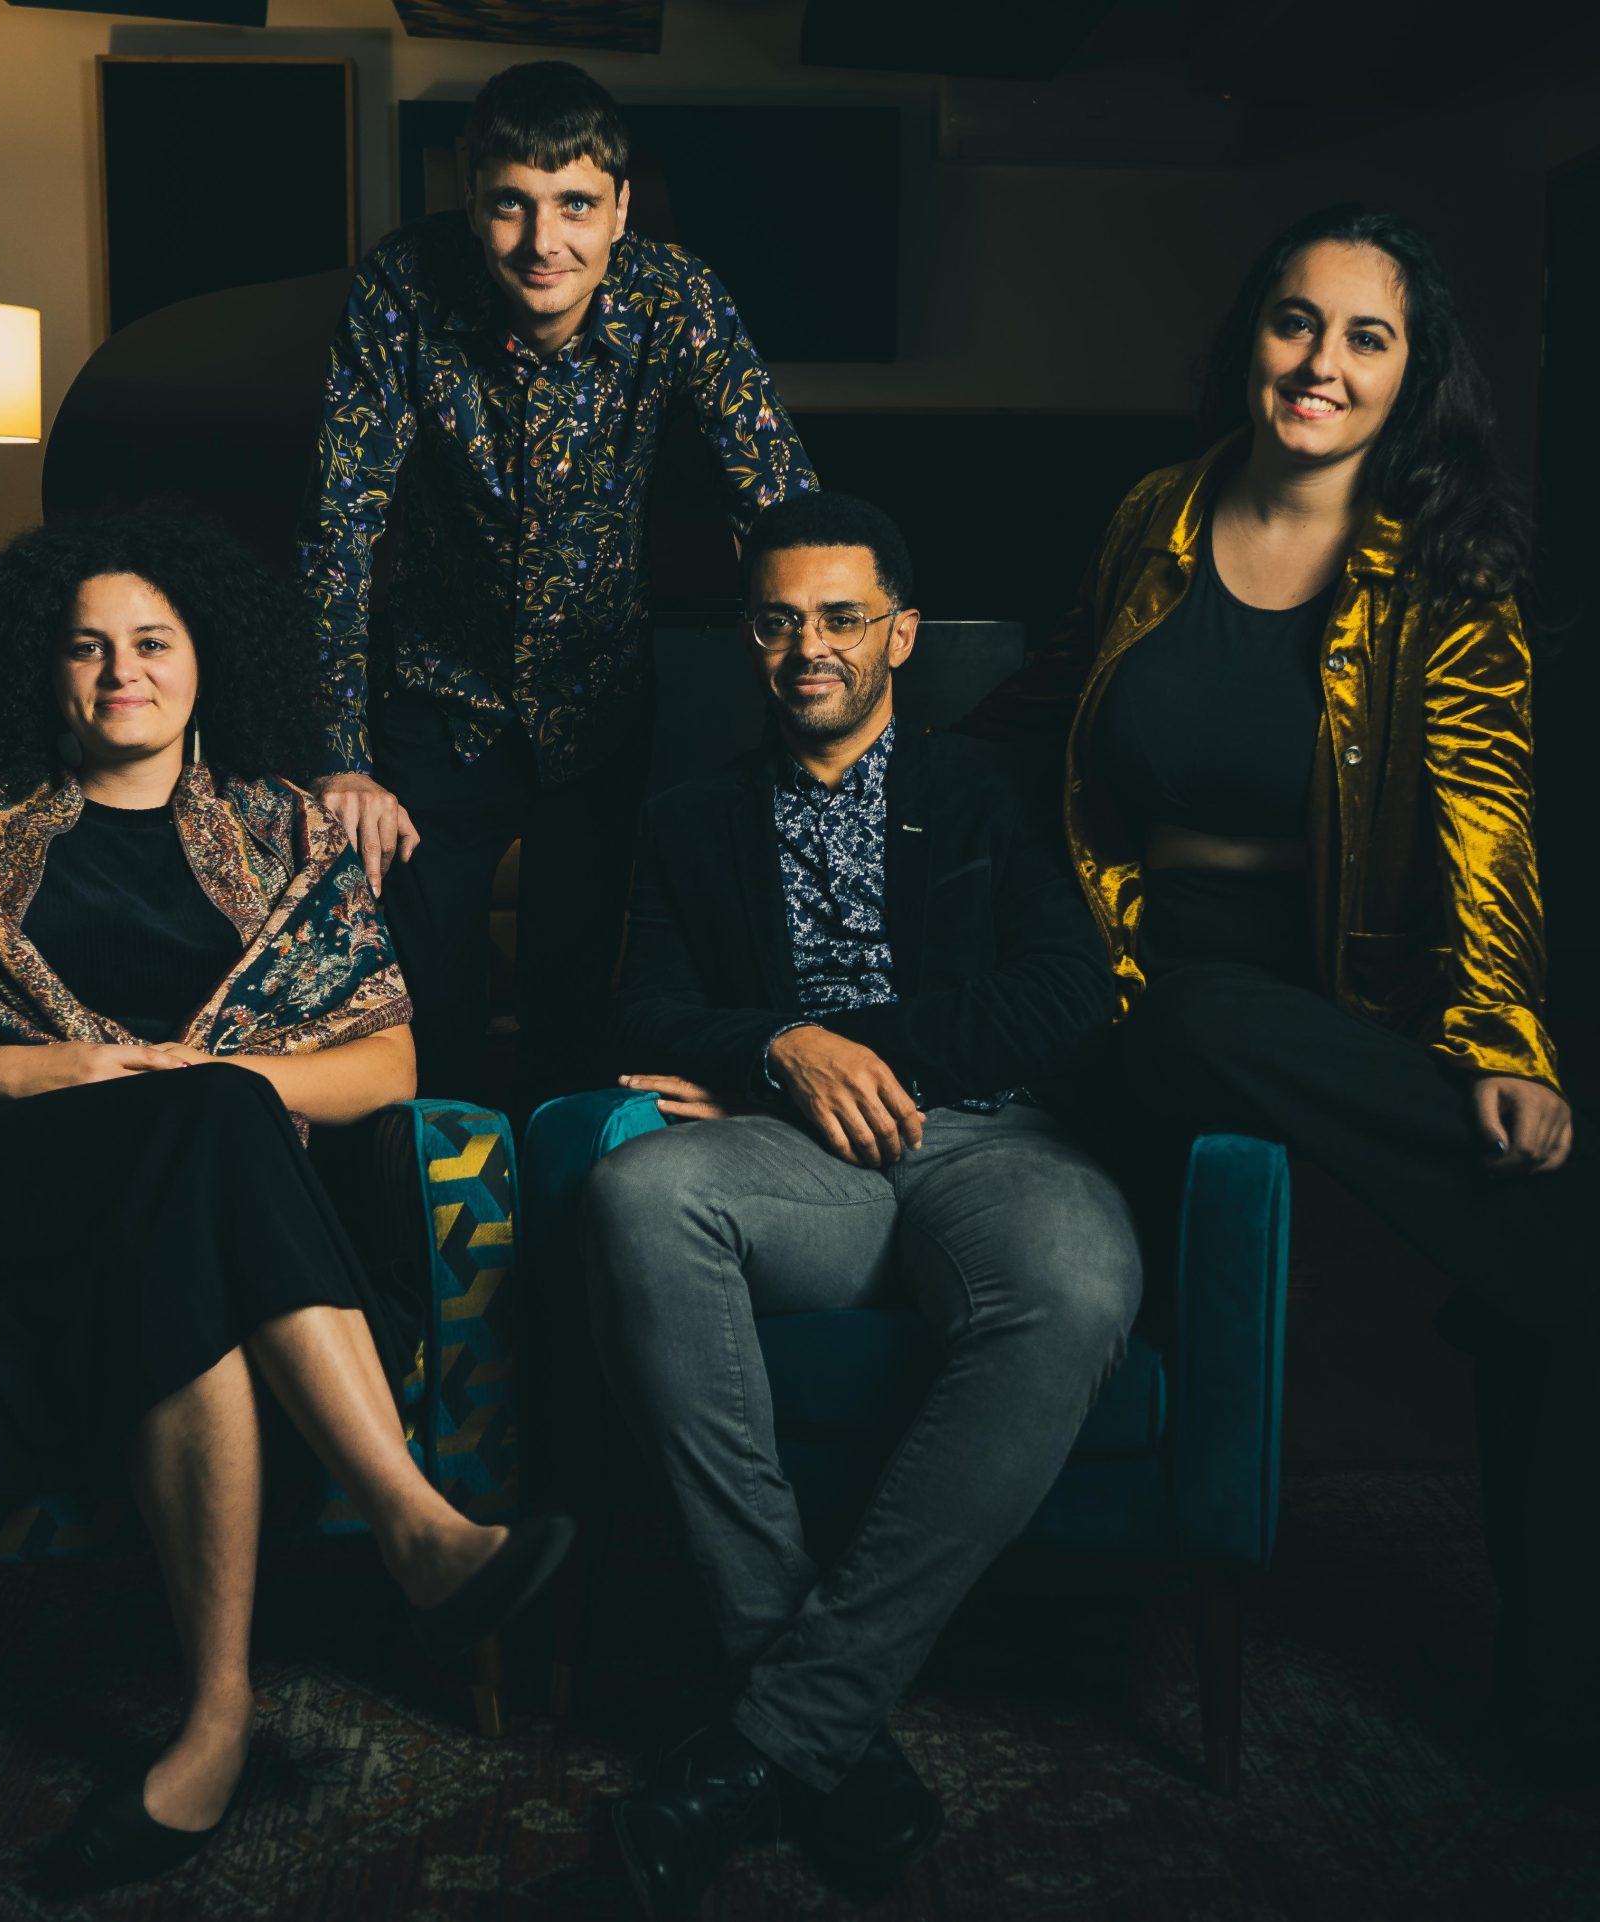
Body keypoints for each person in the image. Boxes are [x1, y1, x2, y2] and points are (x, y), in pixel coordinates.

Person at [1055, 204, 1600, 1816]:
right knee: (1187, 1021)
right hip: (1146, 984)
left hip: (1353, 1003)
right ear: (1250, 335)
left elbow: (1486, 825)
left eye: (1366, 336)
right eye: (1295, 321)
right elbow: (1066, 736)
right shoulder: (1149, 519)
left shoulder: (1438, 567)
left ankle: (1585, 1707)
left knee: (1548, 1243)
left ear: (1413, 374)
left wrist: (1502, 1047)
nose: (1319, 363)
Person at [0, 512, 573, 1892]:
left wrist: (213, 1081)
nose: (123, 673)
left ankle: (214, 1719)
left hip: (211, 1212)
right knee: (207, 1118)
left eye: (152, 642)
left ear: (205, 658)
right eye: (86, 647)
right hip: (13, 1201)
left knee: (208, 1129)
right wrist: (37, 1069)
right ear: (42, 669)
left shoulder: (285, 829)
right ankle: (414, 1524)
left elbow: (389, 1061)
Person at [578, 493, 1137, 1917]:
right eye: (777, 621)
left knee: (1078, 1283)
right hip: (797, 1161)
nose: (807, 646)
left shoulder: (996, 789)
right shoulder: (688, 818)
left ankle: (781, 1728)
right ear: (747, 638)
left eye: (839, 617)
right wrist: (780, 1049)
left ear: (902, 632)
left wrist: (851, 1045)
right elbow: (641, 1011)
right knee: (637, 1192)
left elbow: (1069, 997)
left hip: (991, 1141)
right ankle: (819, 1720)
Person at [289, 59, 816, 1110]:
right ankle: (437, 1213)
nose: (543, 242)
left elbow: (776, 496)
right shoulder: (400, 286)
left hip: (598, 704)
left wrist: (824, 676)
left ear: (619, 207)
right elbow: (339, 527)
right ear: (469, 199)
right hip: (434, 705)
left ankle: (560, 1207)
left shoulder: (677, 295)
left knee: (575, 1011)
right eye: (511, 205)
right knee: (421, 1015)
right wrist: (339, 756)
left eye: (574, 204)